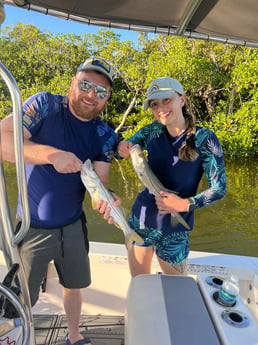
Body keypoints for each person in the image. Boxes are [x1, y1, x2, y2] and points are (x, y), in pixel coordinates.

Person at [1, 56, 120, 345]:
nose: (92, 95)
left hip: (73, 226)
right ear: (73, 83)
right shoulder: (44, 105)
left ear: (107, 99)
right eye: (86, 84)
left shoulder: (105, 136)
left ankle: (75, 334)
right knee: (22, 295)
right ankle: (18, 335)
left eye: (101, 91)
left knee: (75, 285)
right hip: (31, 226)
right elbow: (3, 139)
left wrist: (105, 200)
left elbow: (99, 185)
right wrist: (52, 156)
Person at [117, 77, 226, 277]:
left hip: (174, 230)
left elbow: (219, 188)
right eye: (154, 104)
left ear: (182, 100)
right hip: (140, 220)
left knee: (177, 288)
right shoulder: (152, 131)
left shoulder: (204, 139)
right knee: (140, 282)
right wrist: (122, 147)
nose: (160, 108)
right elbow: (124, 148)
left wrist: (185, 205)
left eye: (167, 100)